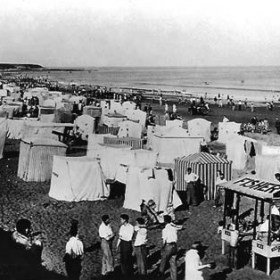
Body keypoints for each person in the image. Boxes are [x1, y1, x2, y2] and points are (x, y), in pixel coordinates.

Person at [158, 215, 182, 280]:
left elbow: (164, 241)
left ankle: (160, 276)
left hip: (168, 246)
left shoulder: (165, 230)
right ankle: (174, 278)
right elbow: (180, 227)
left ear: (164, 221)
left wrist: (162, 248)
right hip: (175, 246)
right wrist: (173, 224)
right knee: (173, 264)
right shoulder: (173, 227)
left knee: (163, 262)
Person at [117, 214, 134, 278]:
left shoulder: (131, 227)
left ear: (125, 220)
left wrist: (122, 237)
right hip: (122, 244)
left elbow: (129, 238)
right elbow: (120, 236)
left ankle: (129, 274)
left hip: (127, 244)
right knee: (122, 259)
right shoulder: (122, 227)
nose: (120, 220)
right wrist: (117, 245)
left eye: (121, 219)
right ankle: (123, 273)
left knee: (128, 259)